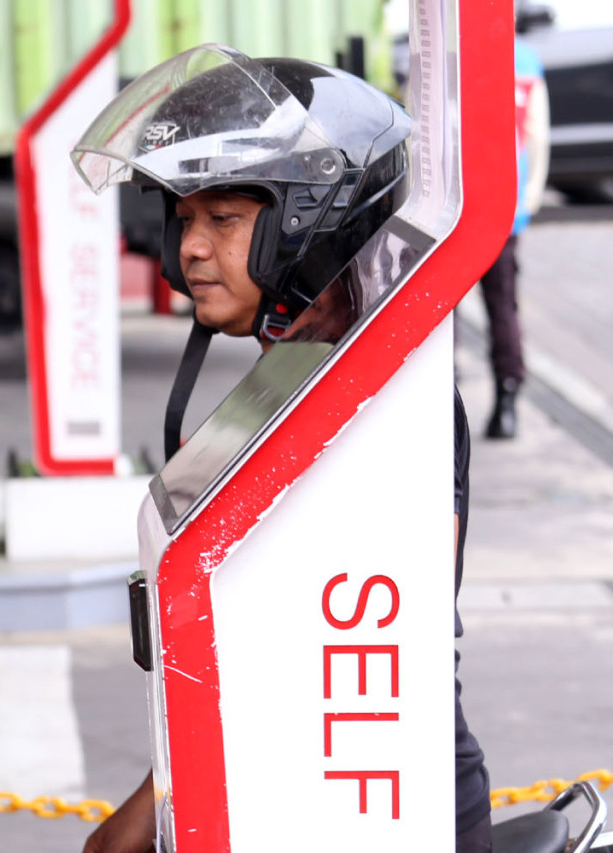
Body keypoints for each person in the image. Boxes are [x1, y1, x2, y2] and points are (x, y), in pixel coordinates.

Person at [70, 46, 492, 852]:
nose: (192, 247)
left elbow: (358, 641)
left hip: (381, 793)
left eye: (222, 220)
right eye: (185, 221)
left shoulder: (388, 402)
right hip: (296, 778)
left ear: (311, 222)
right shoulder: (292, 376)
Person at [478, 33, 549, 439]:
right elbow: (537, 134)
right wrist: (530, 200)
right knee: (502, 305)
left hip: (459, 203)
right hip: (506, 202)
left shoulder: (454, 48)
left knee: (445, 308)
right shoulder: (525, 59)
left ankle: (445, 394)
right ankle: (507, 402)